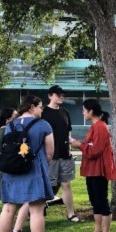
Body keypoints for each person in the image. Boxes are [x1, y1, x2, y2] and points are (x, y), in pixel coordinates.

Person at [0, 94, 57, 232]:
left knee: (8, 208)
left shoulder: (11, 125)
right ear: (32, 107)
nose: (41, 109)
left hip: (11, 170)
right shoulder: (44, 125)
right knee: (36, 210)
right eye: (40, 106)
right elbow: (50, 153)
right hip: (33, 169)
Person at [70, 99, 116, 232]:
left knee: (101, 200)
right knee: (94, 199)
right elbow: (91, 145)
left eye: (84, 110)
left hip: (99, 169)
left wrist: (79, 145)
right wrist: (82, 144)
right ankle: (97, 229)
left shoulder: (101, 127)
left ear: (91, 111)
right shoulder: (95, 126)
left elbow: (95, 150)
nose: (82, 112)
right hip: (91, 169)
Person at [41, 85, 80, 222]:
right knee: (48, 185)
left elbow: (68, 133)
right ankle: (38, 208)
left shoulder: (65, 112)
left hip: (65, 155)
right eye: (58, 94)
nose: (61, 97)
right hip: (50, 156)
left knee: (66, 184)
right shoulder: (43, 112)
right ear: (50, 96)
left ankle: (71, 214)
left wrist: (71, 148)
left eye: (62, 94)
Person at [0, 107, 31, 232]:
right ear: (8, 118)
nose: (18, 118)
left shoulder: (6, 130)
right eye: (15, 116)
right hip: (8, 167)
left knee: (10, 203)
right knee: (9, 202)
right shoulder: (5, 131)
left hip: (7, 166)